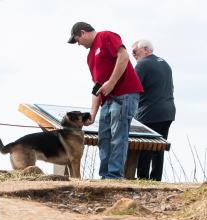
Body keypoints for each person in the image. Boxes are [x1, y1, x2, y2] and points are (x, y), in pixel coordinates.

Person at [69, 21, 143, 180]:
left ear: (83, 33)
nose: (78, 44)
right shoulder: (90, 57)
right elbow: (97, 86)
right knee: (104, 138)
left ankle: (114, 176)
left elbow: (123, 55)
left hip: (125, 94)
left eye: (77, 40)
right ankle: (105, 176)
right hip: (107, 101)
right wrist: (93, 114)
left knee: (118, 136)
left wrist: (112, 82)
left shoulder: (105, 36)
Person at [131, 39, 175, 181]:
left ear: (145, 49)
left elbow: (133, 88)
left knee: (145, 145)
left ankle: (142, 178)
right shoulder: (165, 63)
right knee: (159, 147)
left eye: (134, 52)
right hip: (168, 112)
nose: (133, 55)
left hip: (149, 112)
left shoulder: (142, 64)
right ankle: (156, 178)